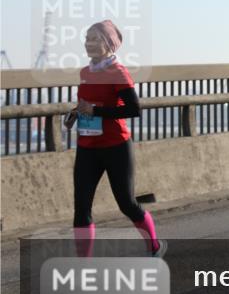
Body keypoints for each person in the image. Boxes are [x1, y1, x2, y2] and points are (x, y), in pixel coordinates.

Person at [68, 20, 164, 259]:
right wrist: (76, 112)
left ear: (109, 43)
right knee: (81, 208)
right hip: (87, 147)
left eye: (94, 38)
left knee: (127, 204)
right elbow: (88, 104)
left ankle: (154, 246)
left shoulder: (118, 72)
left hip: (115, 146)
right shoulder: (85, 72)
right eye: (86, 38)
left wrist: (96, 112)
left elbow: (134, 109)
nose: (88, 43)